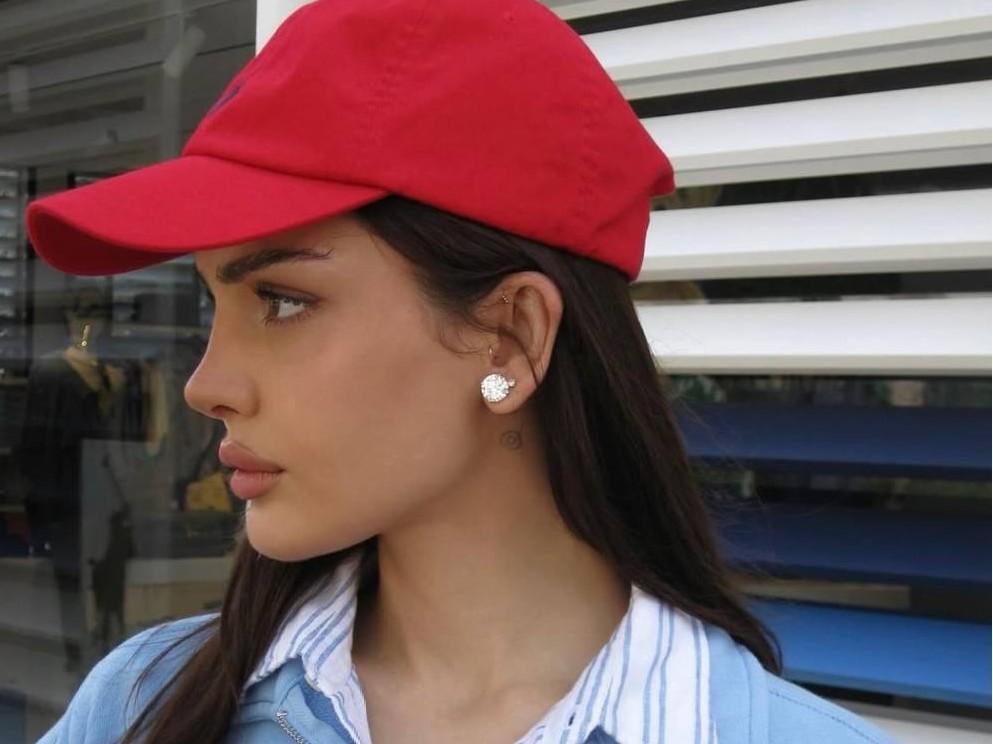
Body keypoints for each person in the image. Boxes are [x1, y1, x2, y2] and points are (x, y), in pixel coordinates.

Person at [24, 1, 897, 742]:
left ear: (510, 338)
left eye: (282, 301)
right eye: (214, 302)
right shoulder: (142, 705)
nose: (205, 385)